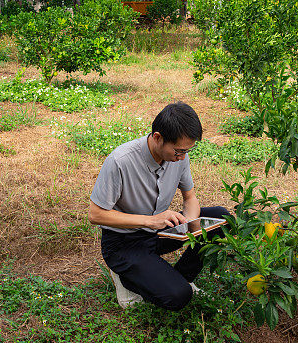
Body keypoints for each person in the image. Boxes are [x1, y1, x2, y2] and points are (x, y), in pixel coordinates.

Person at [88, 101, 229, 310]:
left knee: (222, 218)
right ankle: (126, 277)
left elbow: (189, 198)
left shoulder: (180, 157)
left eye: (187, 151)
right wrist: (150, 221)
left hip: (160, 232)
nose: (182, 157)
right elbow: (95, 215)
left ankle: (182, 278)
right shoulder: (120, 160)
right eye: (178, 151)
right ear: (157, 137)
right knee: (178, 297)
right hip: (124, 243)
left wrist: (191, 225)